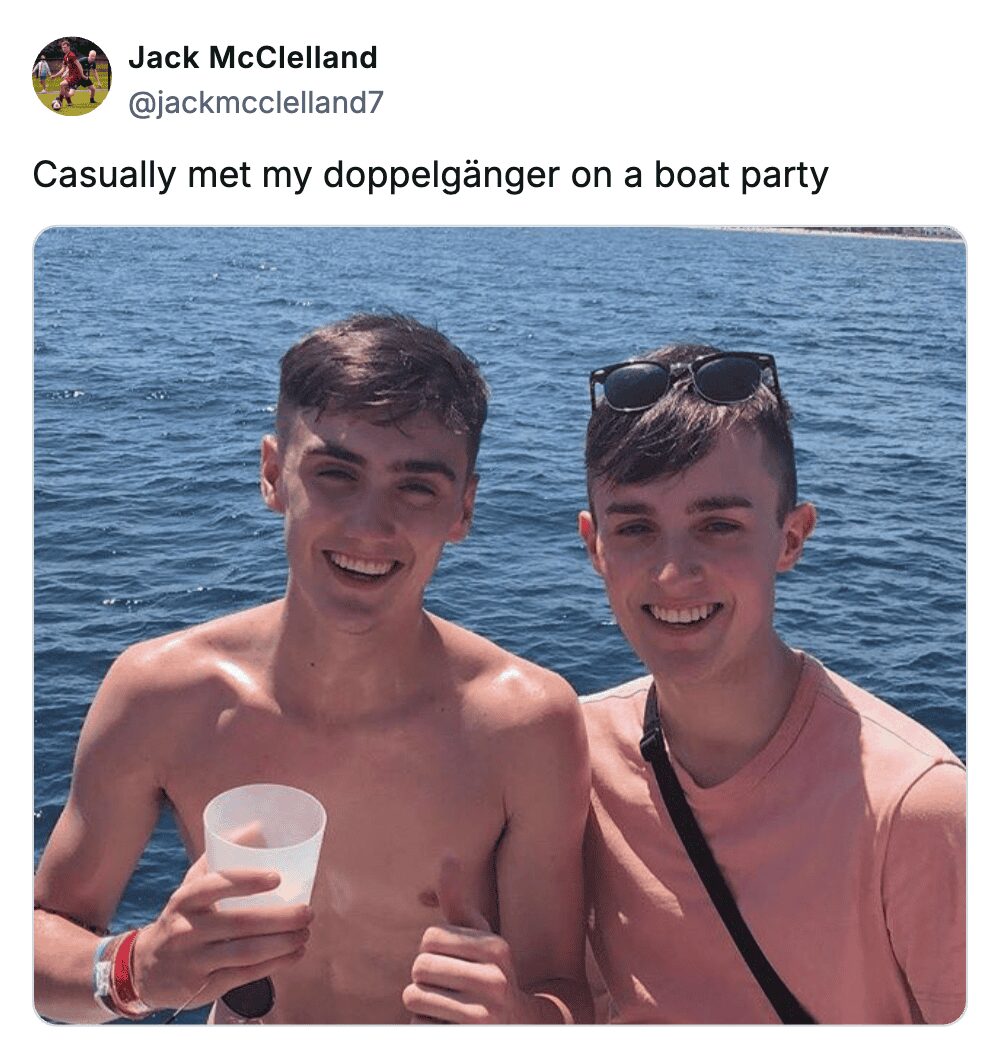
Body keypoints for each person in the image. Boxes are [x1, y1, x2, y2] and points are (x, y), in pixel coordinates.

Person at [34, 314, 592, 1025]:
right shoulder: (160, 696)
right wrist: (136, 968)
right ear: (273, 475)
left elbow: (560, 989)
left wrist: (516, 1020)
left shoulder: (523, 723)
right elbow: (39, 941)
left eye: (417, 488)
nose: (369, 524)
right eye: (336, 474)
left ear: (464, 508)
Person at [578, 344, 965, 1024]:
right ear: (594, 546)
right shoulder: (567, 756)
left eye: (718, 526)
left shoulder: (916, 808)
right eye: (636, 527)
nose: (674, 572)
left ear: (791, 538)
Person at [53, 39, 96, 107]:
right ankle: (69, 103)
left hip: (76, 76)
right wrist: (55, 75)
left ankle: (59, 102)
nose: (64, 49)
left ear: (68, 47)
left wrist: (82, 75)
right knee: (65, 88)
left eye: (65, 47)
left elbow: (79, 65)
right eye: (63, 47)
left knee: (62, 84)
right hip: (71, 76)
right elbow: (63, 68)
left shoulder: (71, 55)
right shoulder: (65, 57)